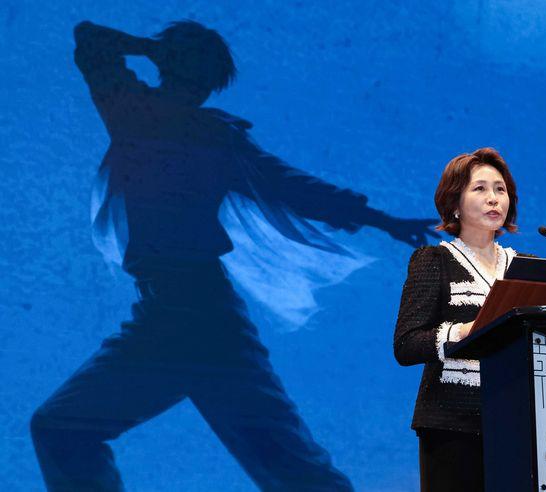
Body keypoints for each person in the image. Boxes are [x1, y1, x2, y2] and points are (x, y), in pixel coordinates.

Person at [30, 20, 437, 492]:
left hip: (200, 317)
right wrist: (161, 49)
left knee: (292, 470)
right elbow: (89, 39)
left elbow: (294, 187)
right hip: (173, 317)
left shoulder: (183, 128)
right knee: (64, 428)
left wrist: (382, 220)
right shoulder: (141, 113)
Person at [394, 148, 526, 491]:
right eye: (479, 188)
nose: (493, 198)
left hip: (517, 421)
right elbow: (407, 344)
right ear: (455, 203)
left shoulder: (524, 268)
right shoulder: (433, 260)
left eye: (500, 189)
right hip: (451, 425)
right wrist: (464, 331)